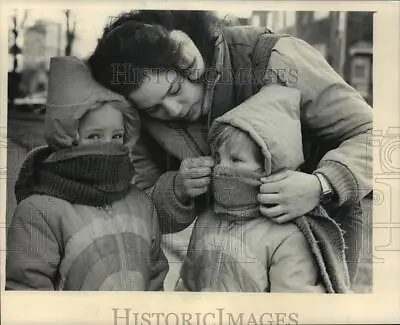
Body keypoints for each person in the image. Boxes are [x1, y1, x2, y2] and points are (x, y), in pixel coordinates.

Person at [87, 10, 373, 287]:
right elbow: (140, 205)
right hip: (227, 248)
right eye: (154, 108)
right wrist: (175, 190)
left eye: (174, 90)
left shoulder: (275, 58)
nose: (174, 110)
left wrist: (320, 184)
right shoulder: (139, 120)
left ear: (188, 56)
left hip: (316, 230)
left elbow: (377, 133)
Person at [6, 56, 169, 291]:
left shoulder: (141, 203)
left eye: (117, 136)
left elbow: (155, 280)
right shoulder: (39, 212)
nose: (108, 146)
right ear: (67, 138)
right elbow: (28, 293)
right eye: (95, 136)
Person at [178, 84, 348, 293]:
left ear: (269, 168)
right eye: (217, 157)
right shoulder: (206, 220)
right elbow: (187, 285)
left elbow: (292, 308)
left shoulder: (288, 236)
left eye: (236, 159)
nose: (221, 167)